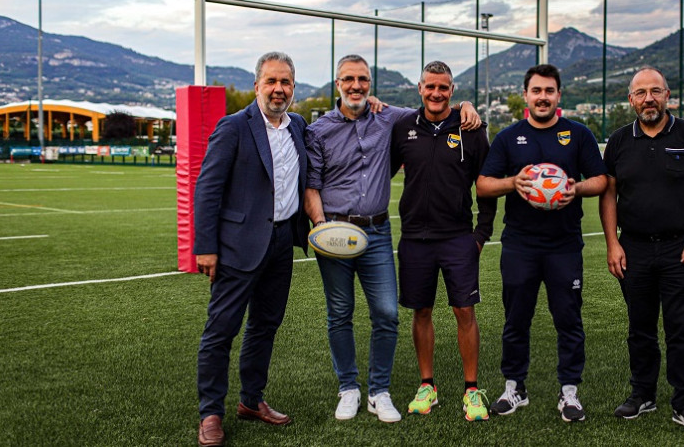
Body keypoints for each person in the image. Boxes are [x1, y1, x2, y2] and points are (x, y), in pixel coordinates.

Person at [304, 54, 480, 423]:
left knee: (386, 312)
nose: (356, 86)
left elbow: (435, 109)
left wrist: (465, 104)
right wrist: (321, 226)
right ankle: (349, 388)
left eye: (362, 80)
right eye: (349, 79)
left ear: (371, 84)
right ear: (337, 84)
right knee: (340, 313)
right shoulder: (318, 130)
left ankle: (379, 391)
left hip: (377, 231)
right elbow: (312, 185)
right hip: (334, 231)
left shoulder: (390, 117)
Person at [477, 64, 607, 423]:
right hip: (520, 244)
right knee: (516, 319)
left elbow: (600, 180)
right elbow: (483, 185)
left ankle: (569, 392)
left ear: (558, 95)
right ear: (526, 96)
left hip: (564, 244)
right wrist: (513, 182)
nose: (543, 97)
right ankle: (514, 387)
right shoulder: (509, 137)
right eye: (537, 91)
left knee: (568, 319)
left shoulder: (578, 134)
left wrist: (575, 188)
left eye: (549, 91)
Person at [192, 51, 310, 447]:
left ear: (293, 87)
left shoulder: (298, 126)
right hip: (237, 246)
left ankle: (251, 400)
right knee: (221, 330)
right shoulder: (233, 127)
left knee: (265, 326)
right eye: (271, 81)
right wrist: (206, 247)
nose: (279, 89)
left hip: (282, 243)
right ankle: (211, 413)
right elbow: (207, 189)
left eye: (285, 82)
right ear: (257, 85)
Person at [598, 66, 684, 435]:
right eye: (641, 93)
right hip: (633, 248)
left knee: (680, 329)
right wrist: (613, 243)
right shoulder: (619, 141)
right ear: (631, 99)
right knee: (640, 328)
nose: (648, 99)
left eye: (655, 91)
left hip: (680, 248)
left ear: (668, 95)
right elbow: (608, 194)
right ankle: (643, 394)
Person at [388, 61, 496, 422]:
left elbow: (486, 184)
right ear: (420, 88)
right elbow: (382, 171)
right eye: (430, 86)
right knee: (421, 311)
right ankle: (427, 386)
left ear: (452, 90)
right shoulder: (404, 127)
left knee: (464, 311)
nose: (436, 93)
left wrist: (481, 234)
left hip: (457, 238)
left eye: (443, 87)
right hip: (415, 239)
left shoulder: (471, 129)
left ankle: (471, 389)